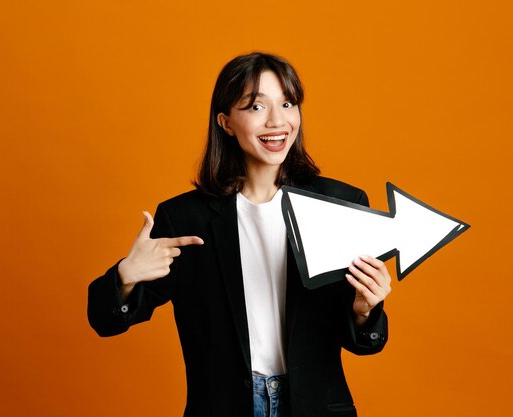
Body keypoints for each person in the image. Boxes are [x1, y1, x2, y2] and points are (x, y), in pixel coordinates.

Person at [87, 52, 392, 417]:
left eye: (288, 103)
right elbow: (106, 321)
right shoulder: (186, 219)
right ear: (226, 123)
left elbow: (365, 343)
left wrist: (364, 311)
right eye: (255, 106)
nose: (277, 121)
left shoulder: (341, 205)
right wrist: (124, 276)